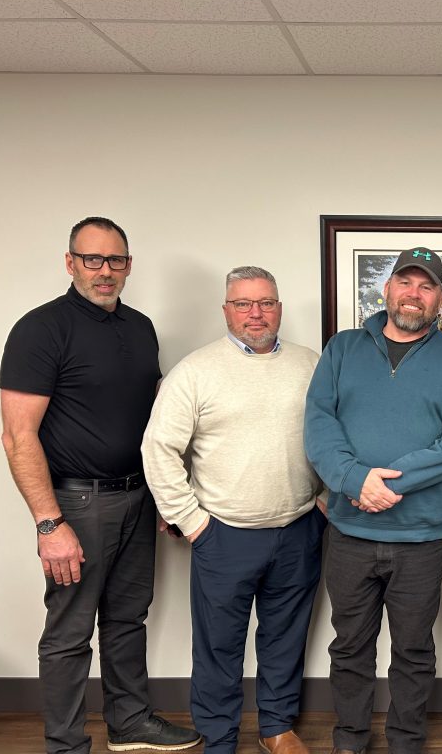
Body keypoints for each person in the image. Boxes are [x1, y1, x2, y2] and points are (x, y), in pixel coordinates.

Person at [0, 217, 200, 754]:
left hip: (137, 496)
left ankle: (129, 722)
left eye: (116, 261)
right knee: (69, 633)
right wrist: (49, 523)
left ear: (129, 266)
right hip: (75, 503)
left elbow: (154, 421)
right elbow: (19, 436)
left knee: (127, 617)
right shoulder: (41, 330)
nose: (104, 271)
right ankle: (66, 744)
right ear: (71, 263)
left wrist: (163, 493)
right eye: (93, 260)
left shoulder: (140, 327)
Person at [304, 246, 442, 754]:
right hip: (348, 534)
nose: (414, 293)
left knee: (412, 650)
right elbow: (319, 425)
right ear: (386, 290)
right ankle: (350, 741)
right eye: (405, 282)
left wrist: (386, 484)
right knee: (349, 647)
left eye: (426, 285)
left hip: (421, 539)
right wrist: (351, 479)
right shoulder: (341, 349)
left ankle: (406, 742)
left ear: (440, 299)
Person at [141, 266, 326, 754]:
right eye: (243, 304)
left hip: (299, 528)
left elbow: (337, 436)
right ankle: (219, 738)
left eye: (265, 302)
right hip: (223, 534)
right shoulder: (195, 371)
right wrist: (192, 521)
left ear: (279, 308)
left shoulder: (312, 365)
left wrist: (326, 499)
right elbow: (158, 448)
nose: (255, 313)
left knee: (285, 639)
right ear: (226, 310)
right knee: (219, 646)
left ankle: (276, 729)